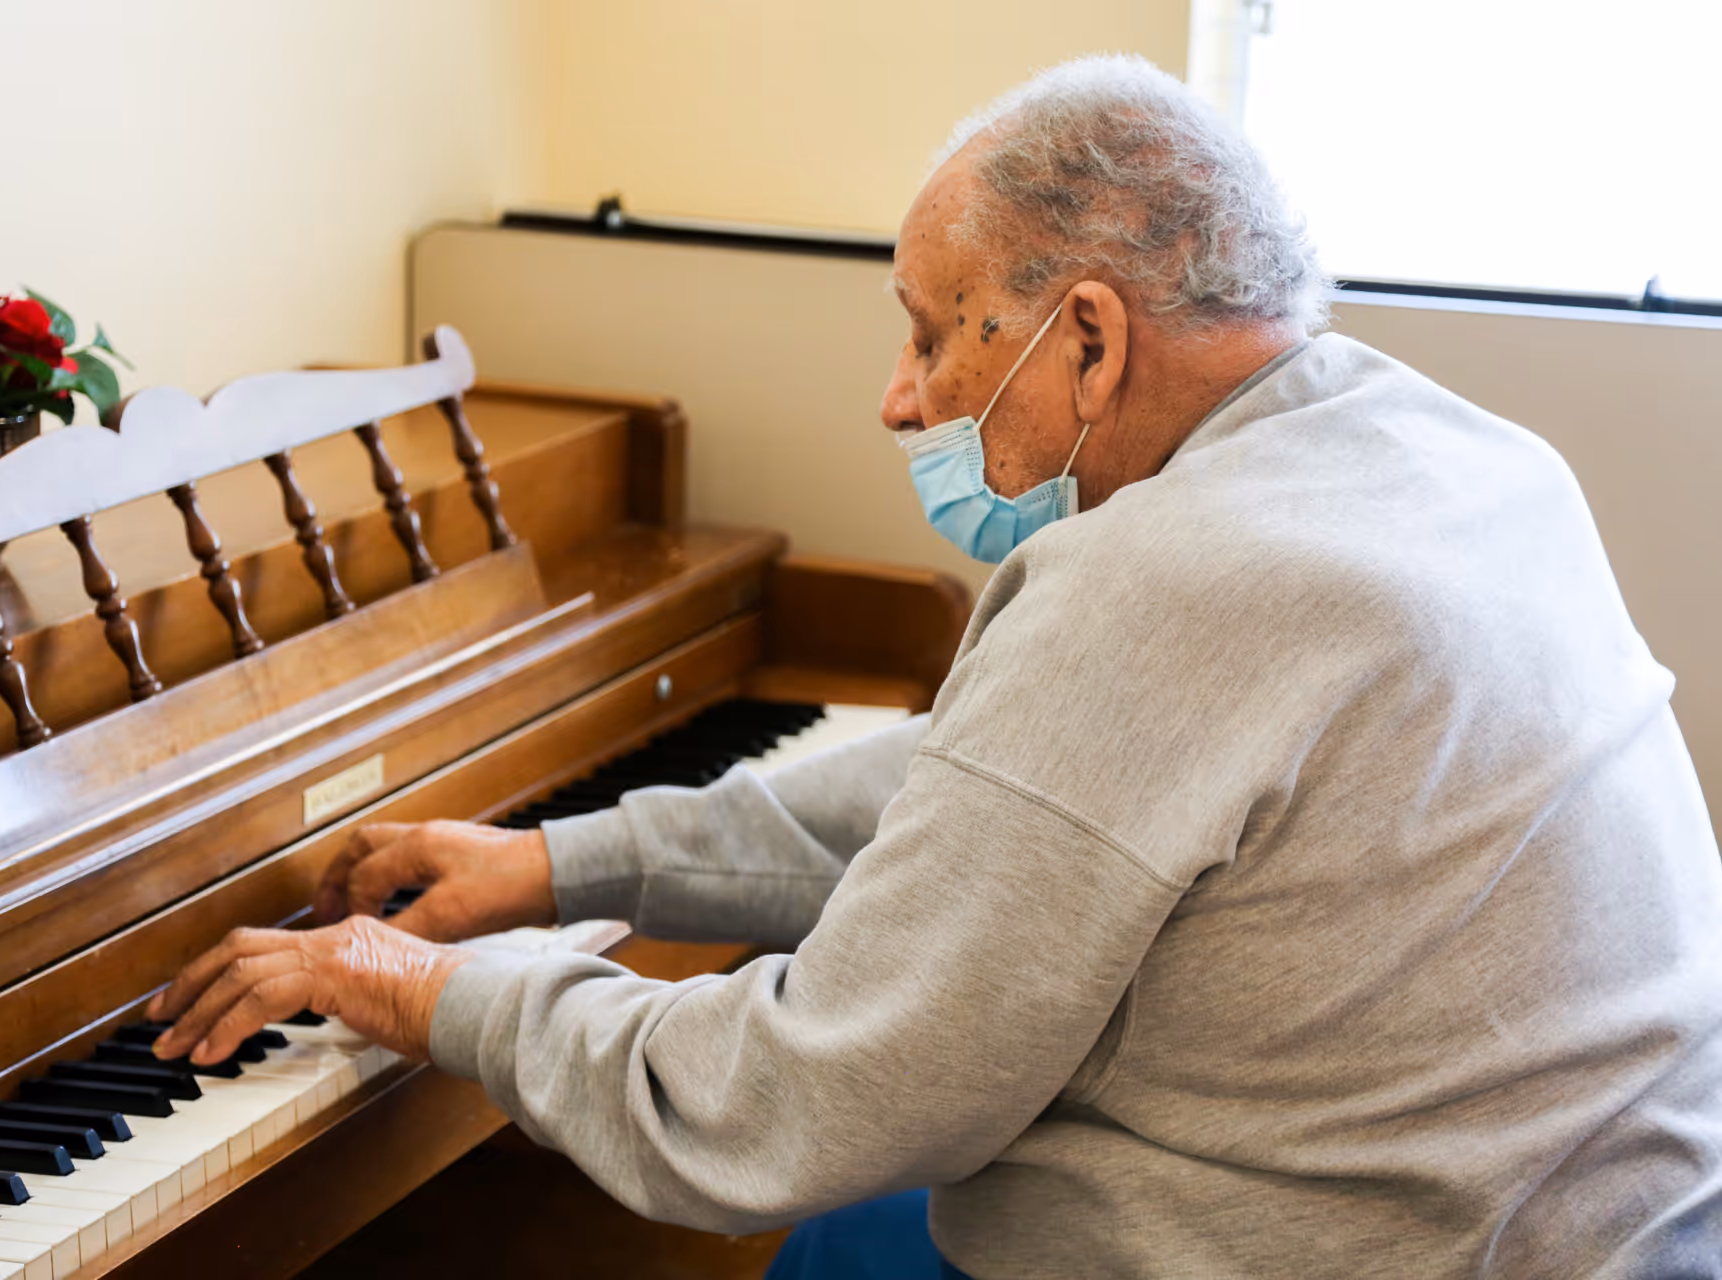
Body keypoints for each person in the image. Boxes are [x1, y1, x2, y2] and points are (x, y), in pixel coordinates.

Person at [149, 55, 1722, 1277]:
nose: (900, 403)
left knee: (832, 1212)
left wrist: (426, 987)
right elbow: (1005, 790)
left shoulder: (1174, 580)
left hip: (1386, 1247)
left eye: (932, 334)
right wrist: (559, 864)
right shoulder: (1446, 450)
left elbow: (782, 1110)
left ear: (1090, 341)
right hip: (1592, 1219)